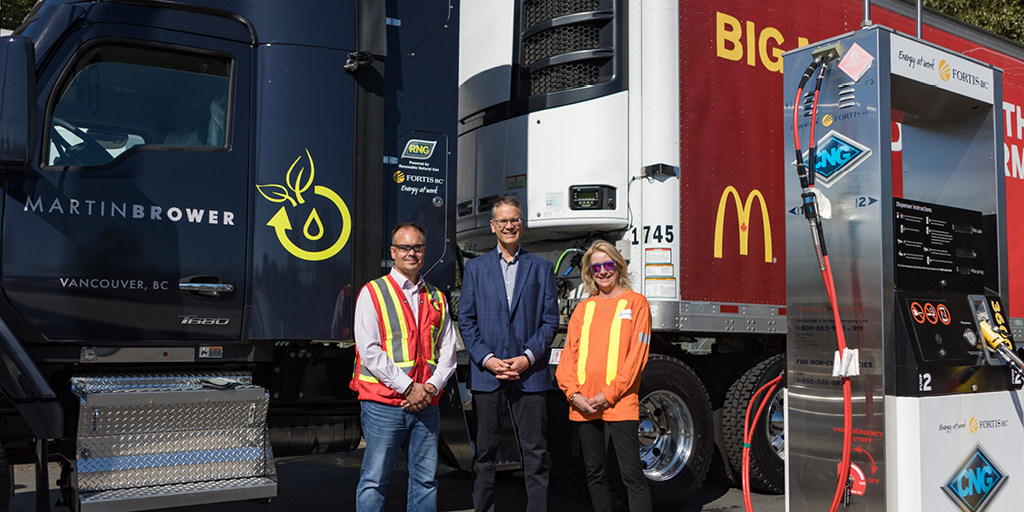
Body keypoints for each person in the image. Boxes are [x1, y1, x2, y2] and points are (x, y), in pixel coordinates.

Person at [459, 196, 559, 512]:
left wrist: (528, 356)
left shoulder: (541, 268)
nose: (509, 225)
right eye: (502, 221)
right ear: (493, 226)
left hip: (529, 374)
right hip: (489, 375)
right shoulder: (475, 268)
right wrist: (487, 359)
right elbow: (466, 319)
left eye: (514, 219)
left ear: (521, 223)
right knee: (485, 454)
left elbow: (550, 321)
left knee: (536, 453)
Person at [350, 222, 458, 512]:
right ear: (393, 252)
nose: (411, 253)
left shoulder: (437, 297)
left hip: (426, 403)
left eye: (417, 247)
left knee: (425, 481)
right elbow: (369, 351)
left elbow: (448, 350)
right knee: (374, 480)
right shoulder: (372, 293)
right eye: (405, 247)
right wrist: (409, 388)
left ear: (424, 251)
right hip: (384, 404)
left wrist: (431, 387)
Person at [555, 240, 652, 512]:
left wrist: (607, 395)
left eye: (608, 264)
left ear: (618, 266)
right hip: (584, 404)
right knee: (594, 473)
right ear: (589, 272)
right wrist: (574, 395)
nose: (603, 271)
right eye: (596, 267)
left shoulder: (636, 303)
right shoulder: (584, 309)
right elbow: (568, 356)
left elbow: (637, 358)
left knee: (631, 474)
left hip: (619, 403)